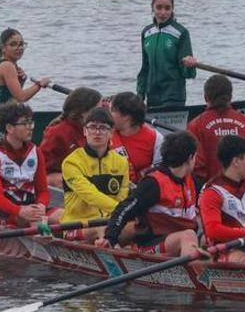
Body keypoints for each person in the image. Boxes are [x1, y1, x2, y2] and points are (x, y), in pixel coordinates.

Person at [99, 131, 200, 257]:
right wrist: (110, 238)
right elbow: (123, 210)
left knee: (201, 235)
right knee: (188, 235)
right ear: (190, 158)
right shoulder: (153, 183)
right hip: (150, 246)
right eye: (196, 156)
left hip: (176, 240)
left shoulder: (192, 181)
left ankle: (195, 257)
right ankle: (197, 273)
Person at [187, 75, 245, 192]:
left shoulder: (195, 126)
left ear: (205, 98)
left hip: (214, 198)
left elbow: (197, 169)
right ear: (231, 97)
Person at [0, 101, 62, 227]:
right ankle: (43, 239)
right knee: (36, 223)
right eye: (25, 123)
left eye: (31, 123)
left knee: (66, 216)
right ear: (9, 128)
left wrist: (40, 206)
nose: (30, 127)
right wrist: (20, 211)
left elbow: (43, 191)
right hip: (2, 212)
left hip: (30, 208)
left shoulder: (35, 152)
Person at [60, 108, 131, 243]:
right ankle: (111, 249)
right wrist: (122, 212)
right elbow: (90, 195)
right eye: (92, 127)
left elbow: (122, 196)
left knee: (139, 227)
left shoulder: (121, 162)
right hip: (76, 225)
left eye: (103, 128)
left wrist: (122, 214)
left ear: (111, 133)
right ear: (85, 131)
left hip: (111, 221)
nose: (97, 132)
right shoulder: (71, 162)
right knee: (102, 227)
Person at [136, 0, 197, 108]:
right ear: (152, 7)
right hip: (152, 96)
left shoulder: (181, 33)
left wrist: (190, 66)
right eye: (159, 7)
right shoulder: (146, 32)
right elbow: (145, 68)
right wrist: (139, 95)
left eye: (167, 8)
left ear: (172, 9)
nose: (163, 12)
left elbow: (187, 73)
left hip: (174, 97)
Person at [41, 87, 102, 187]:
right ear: (83, 111)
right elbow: (41, 166)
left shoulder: (92, 130)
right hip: (58, 178)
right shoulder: (58, 132)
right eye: (97, 110)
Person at [0, 28, 49, 113]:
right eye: (13, 44)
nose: (19, 48)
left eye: (21, 44)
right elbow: (21, 97)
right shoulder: (7, 66)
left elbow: (14, 99)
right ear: (3, 48)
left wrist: (21, 82)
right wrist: (39, 85)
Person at [110, 92, 164, 183]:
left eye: (112, 110)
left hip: (142, 188)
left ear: (126, 116)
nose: (108, 114)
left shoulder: (156, 139)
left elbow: (161, 172)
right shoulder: (104, 134)